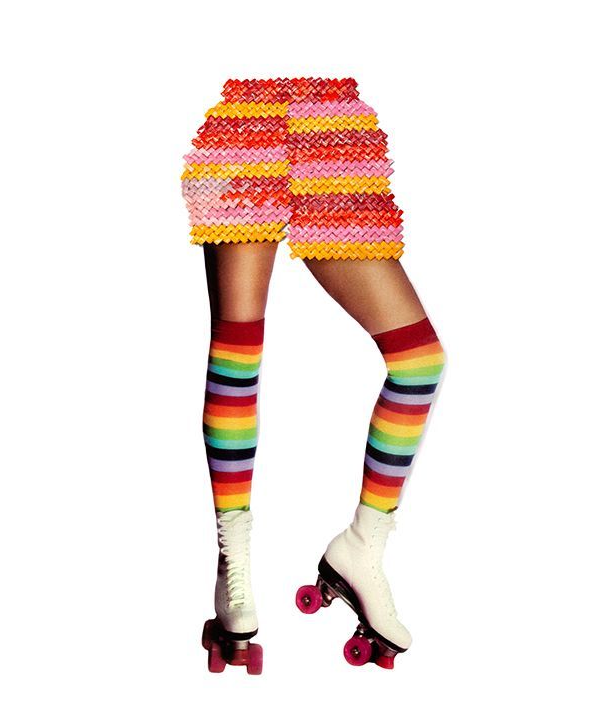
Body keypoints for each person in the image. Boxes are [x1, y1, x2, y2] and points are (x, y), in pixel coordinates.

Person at [181, 77, 446, 674]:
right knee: (238, 349)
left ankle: (352, 549)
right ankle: (238, 567)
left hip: (324, 124)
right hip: (255, 110)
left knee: (415, 360)